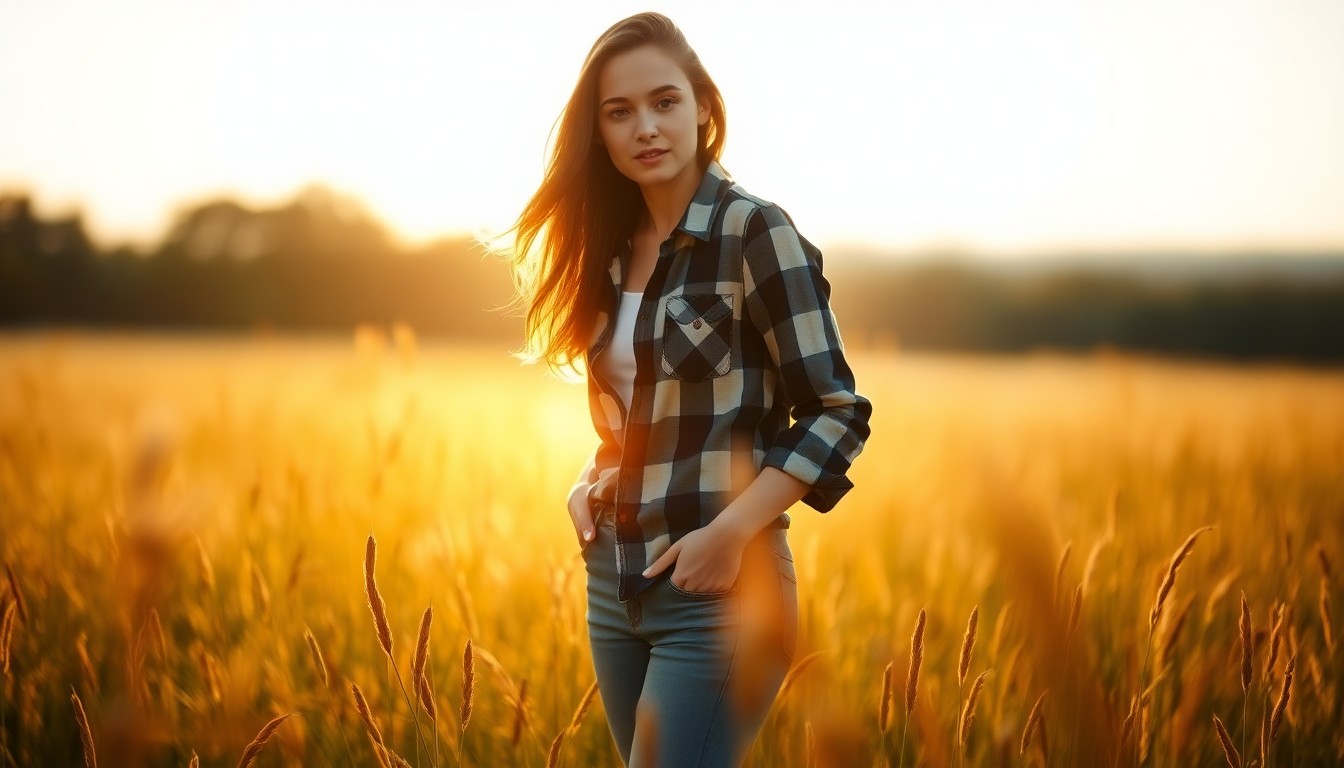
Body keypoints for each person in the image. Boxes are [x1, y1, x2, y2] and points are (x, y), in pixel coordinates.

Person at [504, 11, 872, 767]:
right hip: (614, 582)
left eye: (664, 101)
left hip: (722, 591)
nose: (645, 126)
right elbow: (643, 411)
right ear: (599, 132)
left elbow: (837, 412)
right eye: (620, 112)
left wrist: (729, 535)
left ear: (703, 105)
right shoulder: (608, 250)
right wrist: (589, 480)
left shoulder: (755, 232)